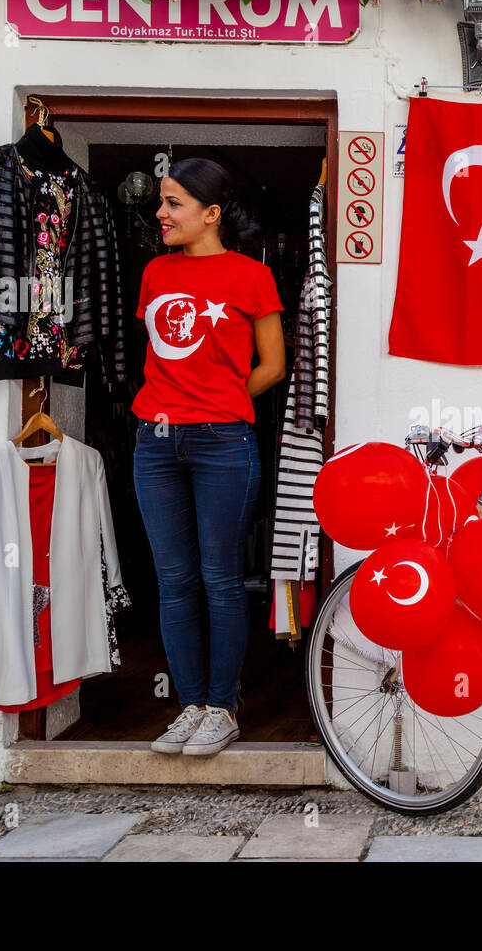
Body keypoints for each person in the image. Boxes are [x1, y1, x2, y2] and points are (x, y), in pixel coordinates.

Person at [131, 158, 286, 756]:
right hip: (155, 441)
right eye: (162, 203)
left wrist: (216, 400)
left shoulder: (251, 277)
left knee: (221, 581)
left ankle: (222, 709)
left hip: (223, 441)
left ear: (211, 213)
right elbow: (165, 355)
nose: (161, 213)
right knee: (173, 580)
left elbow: (271, 365)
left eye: (173, 203)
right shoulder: (153, 273)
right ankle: (189, 706)